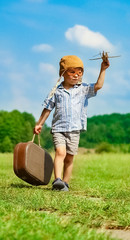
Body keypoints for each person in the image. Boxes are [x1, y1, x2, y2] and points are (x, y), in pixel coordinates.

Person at [33, 55, 110, 191]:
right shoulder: (56, 91)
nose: (76, 76)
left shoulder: (83, 89)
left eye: (80, 73)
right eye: (72, 72)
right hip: (59, 129)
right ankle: (57, 180)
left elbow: (98, 86)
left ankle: (65, 183)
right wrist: (39, 124)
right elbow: (47, 109)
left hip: (74, 130)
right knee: (60, 152)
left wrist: (103, 69)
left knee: (69, 158)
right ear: (63, 73)